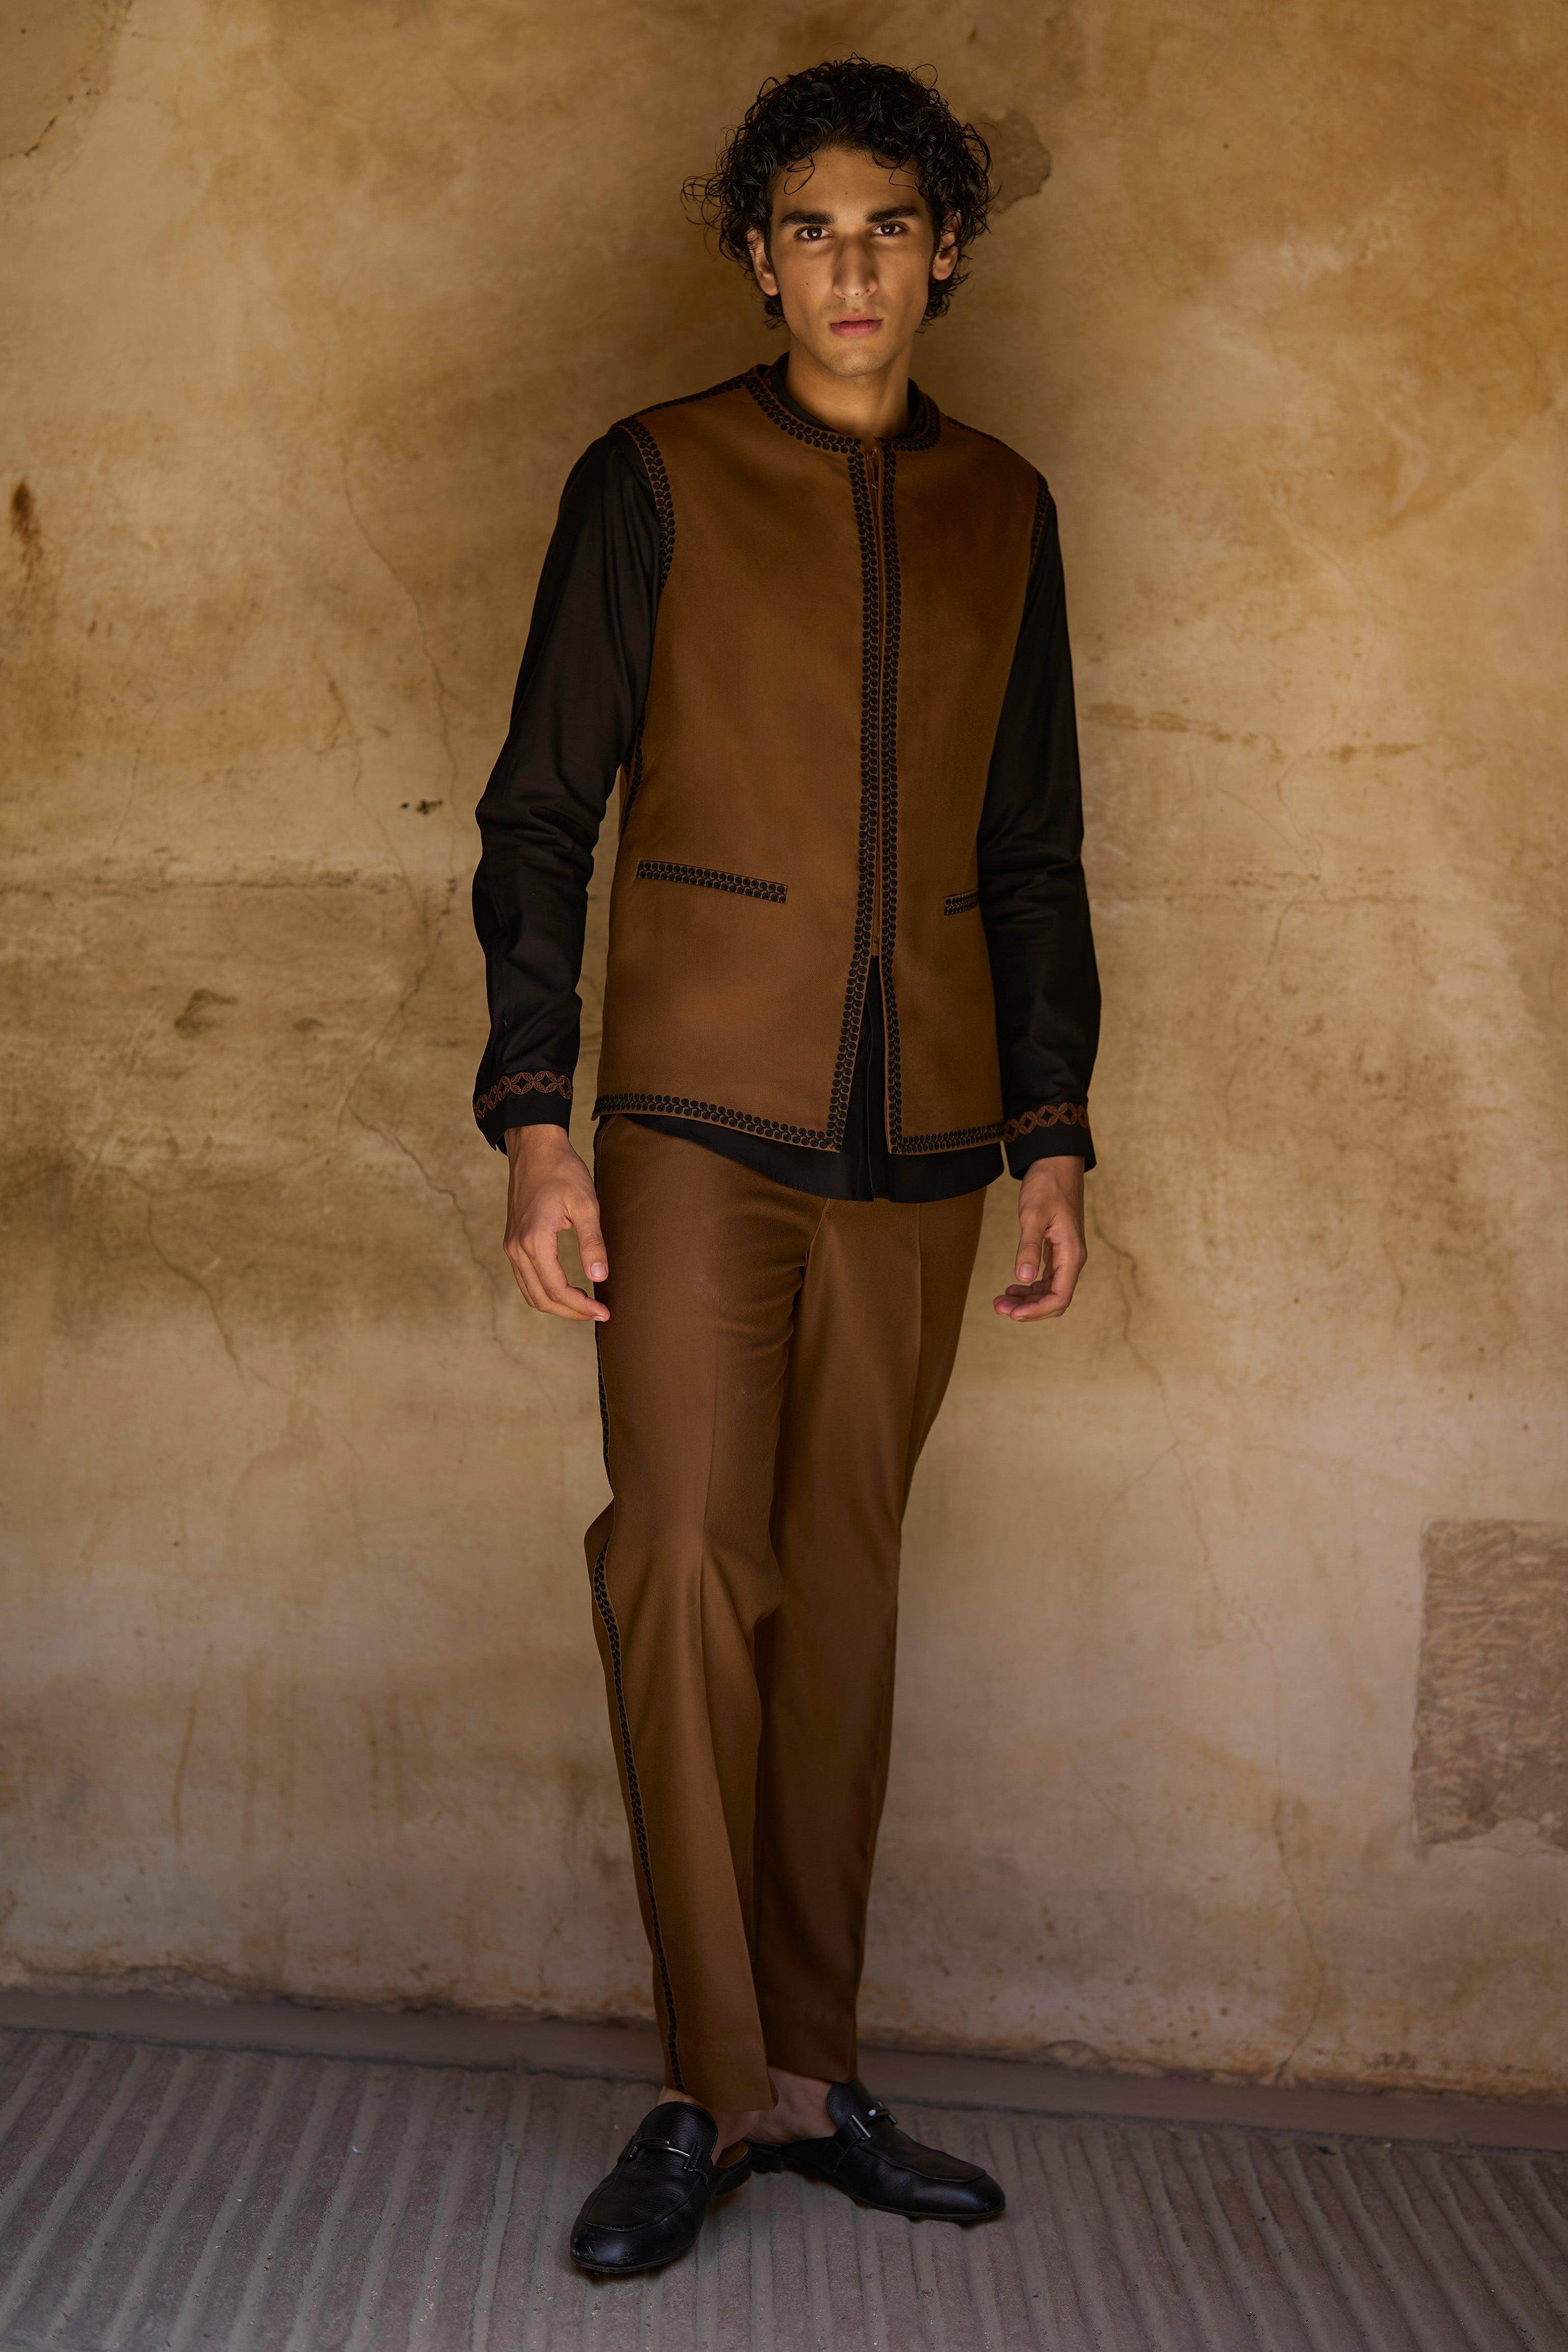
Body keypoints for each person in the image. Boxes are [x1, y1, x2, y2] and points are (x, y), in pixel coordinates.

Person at [470, 56, 1100, 2276]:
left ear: (944, 250)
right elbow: (540, 811)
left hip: (924, 1138)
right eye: (811, 229)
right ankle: (708, 2084)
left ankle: (815, 2081)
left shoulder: (1006, 506)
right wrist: (535, 1121)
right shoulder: (652, 477)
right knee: (679, 1561)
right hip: (689, 1121)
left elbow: (1035, 850)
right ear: (757, 255)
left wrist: (1050, 1134)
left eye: (888, 226)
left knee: (842, 1589)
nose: (851, 267)